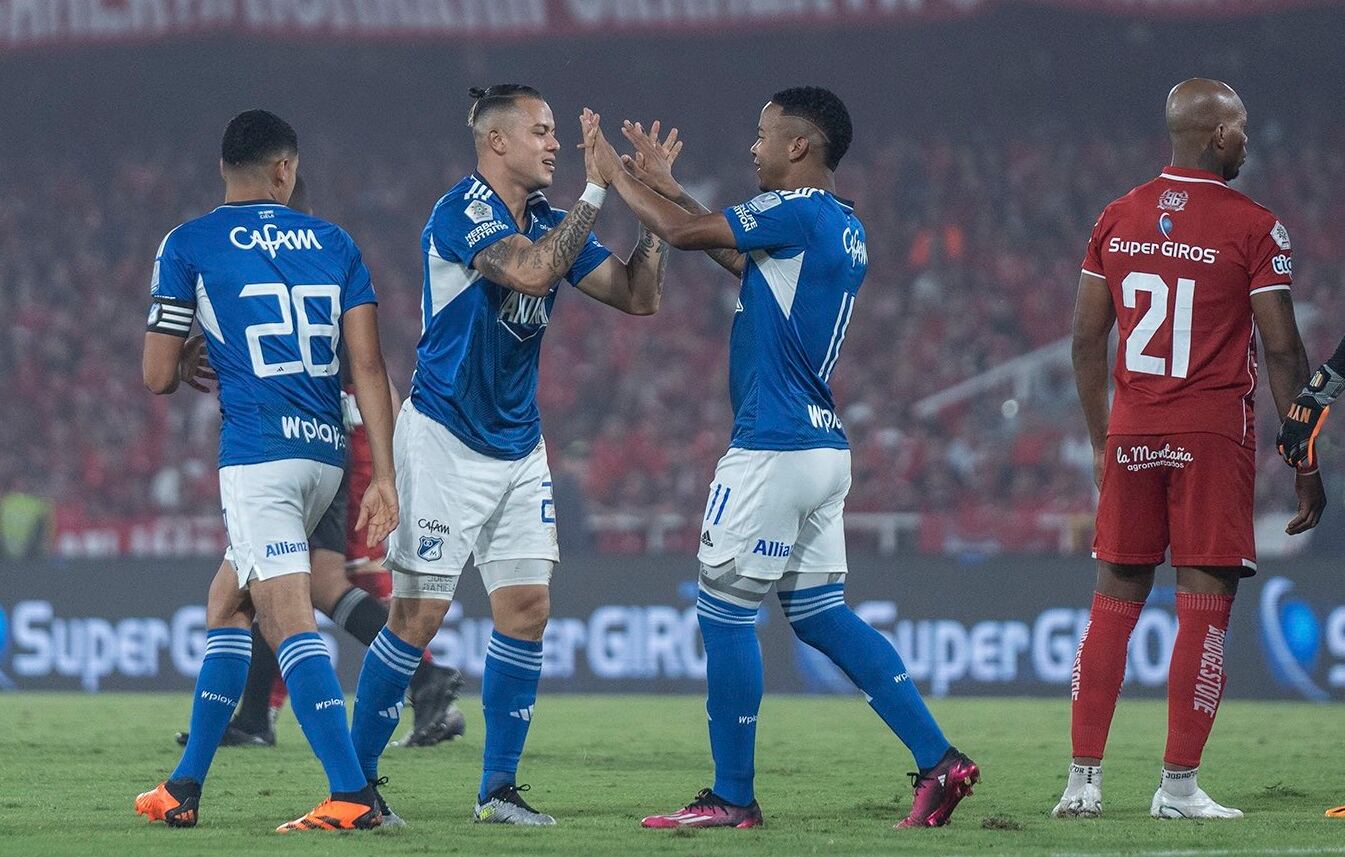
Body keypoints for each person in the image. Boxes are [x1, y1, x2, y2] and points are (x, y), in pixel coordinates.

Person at [585, 86, 979, 830]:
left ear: (800, 146)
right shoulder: (837, 224)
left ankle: (732, 795)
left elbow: (680, 231)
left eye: (763, 134)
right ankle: (939, 760)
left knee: (723, 613)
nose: (752, 147)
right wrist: (665, 185)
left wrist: (614, 175)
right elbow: (737, 254)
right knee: (821, 613)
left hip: (772, 443)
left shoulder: (794, 209)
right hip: (822, 446)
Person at [346, 84, 670, 827]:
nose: (555, 144)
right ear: (497, 143)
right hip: (442, 439)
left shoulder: (554, 221)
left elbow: (637, 295)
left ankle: (497, 790)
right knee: (418, 616)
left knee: (526, 609)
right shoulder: (461, 210)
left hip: (519, 445)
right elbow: (527, 271)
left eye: (558, 134)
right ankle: (354, 786)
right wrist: (597, 184)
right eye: (542, 131)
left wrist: (646, 205)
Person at [1057, 78, 1325, 821]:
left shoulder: (1116, 216)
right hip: (1209, 434)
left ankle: (1081, 783)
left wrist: (1100, 441)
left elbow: (1085, 337)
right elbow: (1282, 350)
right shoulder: (1254, 226)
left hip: (1133, 430)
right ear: (1213, 136)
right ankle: (1176, 789)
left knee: (1110, 606)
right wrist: (1303, 458)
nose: (1246, 137)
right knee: (1202, 611)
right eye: (1239, 126)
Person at [135, 109, 399, 832]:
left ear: (226, 167)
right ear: (286, 170)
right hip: (326, 455)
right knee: (227, 600)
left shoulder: (188, 242)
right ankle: (182, 786)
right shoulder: (336, 242)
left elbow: (159, 376)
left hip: (258, 458)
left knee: (286, 618)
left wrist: (190, 348)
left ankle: (351, 794)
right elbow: (369, 367)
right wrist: (387, 475)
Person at [172, 176, 463, 754]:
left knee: (325, 582)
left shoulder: (262, 259)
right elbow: (368, 360)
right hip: (334, 437)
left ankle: (423, 680)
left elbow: (358, 368)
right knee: (271, 580)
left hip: (314, 439)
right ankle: (257, 714)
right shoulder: (327, 255)